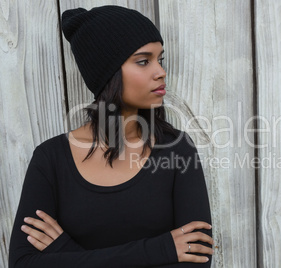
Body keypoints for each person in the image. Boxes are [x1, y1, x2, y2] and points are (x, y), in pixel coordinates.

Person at [8, 5, 213, 267]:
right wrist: (160, 250)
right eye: (143, 61)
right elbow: (23, 263)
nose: (160, 72)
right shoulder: (51, 159)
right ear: (107, 73)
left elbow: (198, 260)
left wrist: (65, 251)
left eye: (159, 59)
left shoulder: (177, 150)